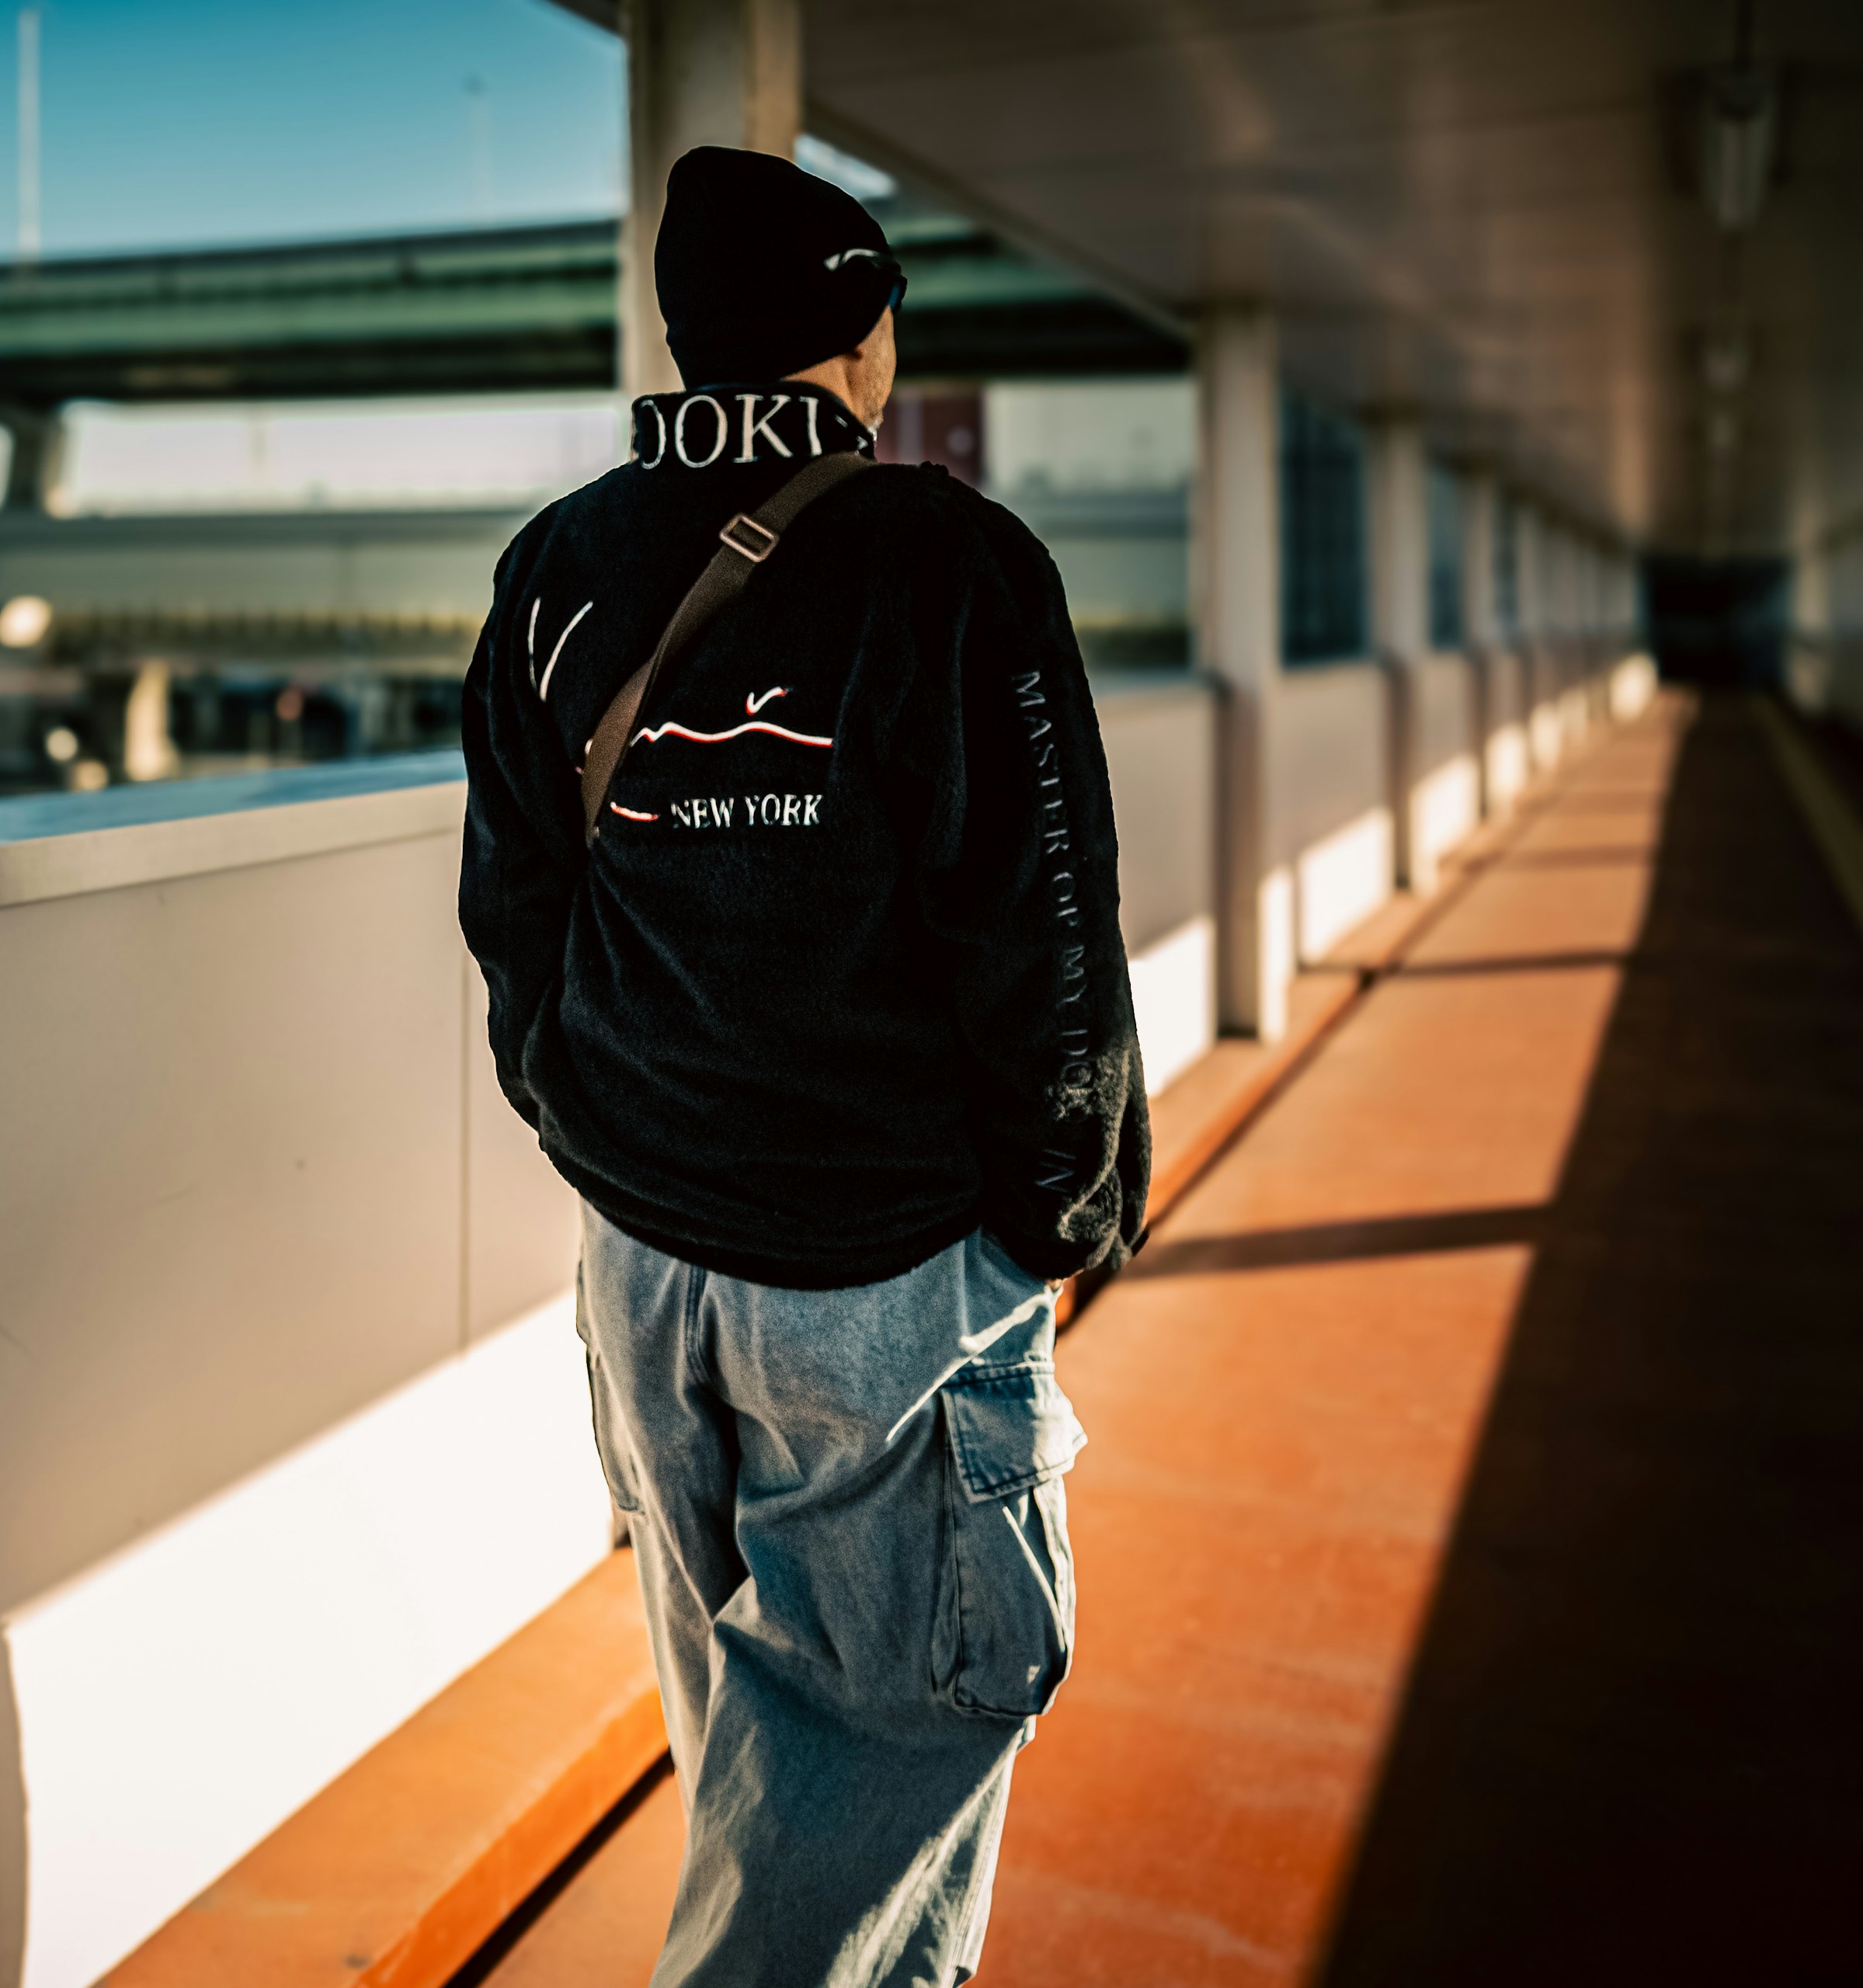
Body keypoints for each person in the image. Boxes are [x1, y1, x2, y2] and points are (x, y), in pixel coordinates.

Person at [457, 146, 1149, 1986]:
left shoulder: (557, 567)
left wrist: (595, 1118)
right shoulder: (955, 565)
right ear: (859, 339)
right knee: (865, 1792)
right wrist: (1065, 1212)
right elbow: (1048, 927)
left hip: (643, 1272)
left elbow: (513, 909)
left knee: (764, 1775)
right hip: (882, 1282)